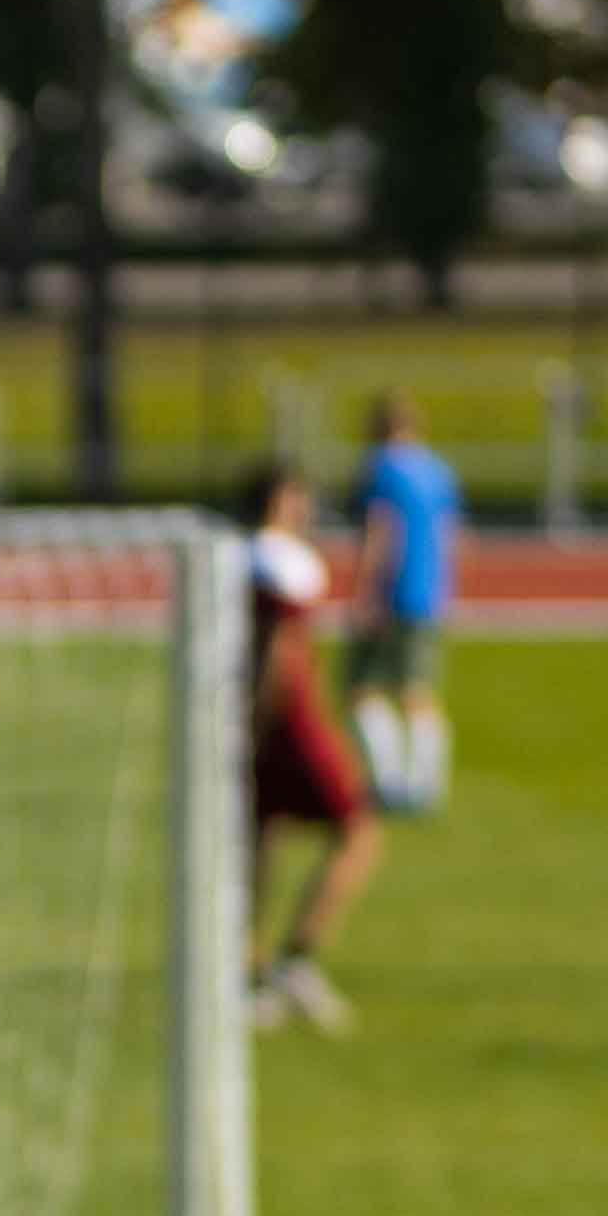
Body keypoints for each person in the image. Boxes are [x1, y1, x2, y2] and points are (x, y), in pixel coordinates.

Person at [243, 461, 381, 1031]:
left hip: (256, 717)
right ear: (281, 499)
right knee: (360, 830)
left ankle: (249, 975)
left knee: (259, 839)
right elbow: (281, 649)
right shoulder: (281, 561)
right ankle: (295, 961)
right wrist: (267, 717)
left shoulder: (240, 556)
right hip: (288, 718)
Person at [346, 394, 464, 817]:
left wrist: (366, 589)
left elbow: (381, 530)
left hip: (392, 590)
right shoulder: (440, 470)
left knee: (364, 690)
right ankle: (427, 783)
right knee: (419, 690)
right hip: (430, 592)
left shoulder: (382, 469)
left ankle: (390, 781)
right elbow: (450, 535)